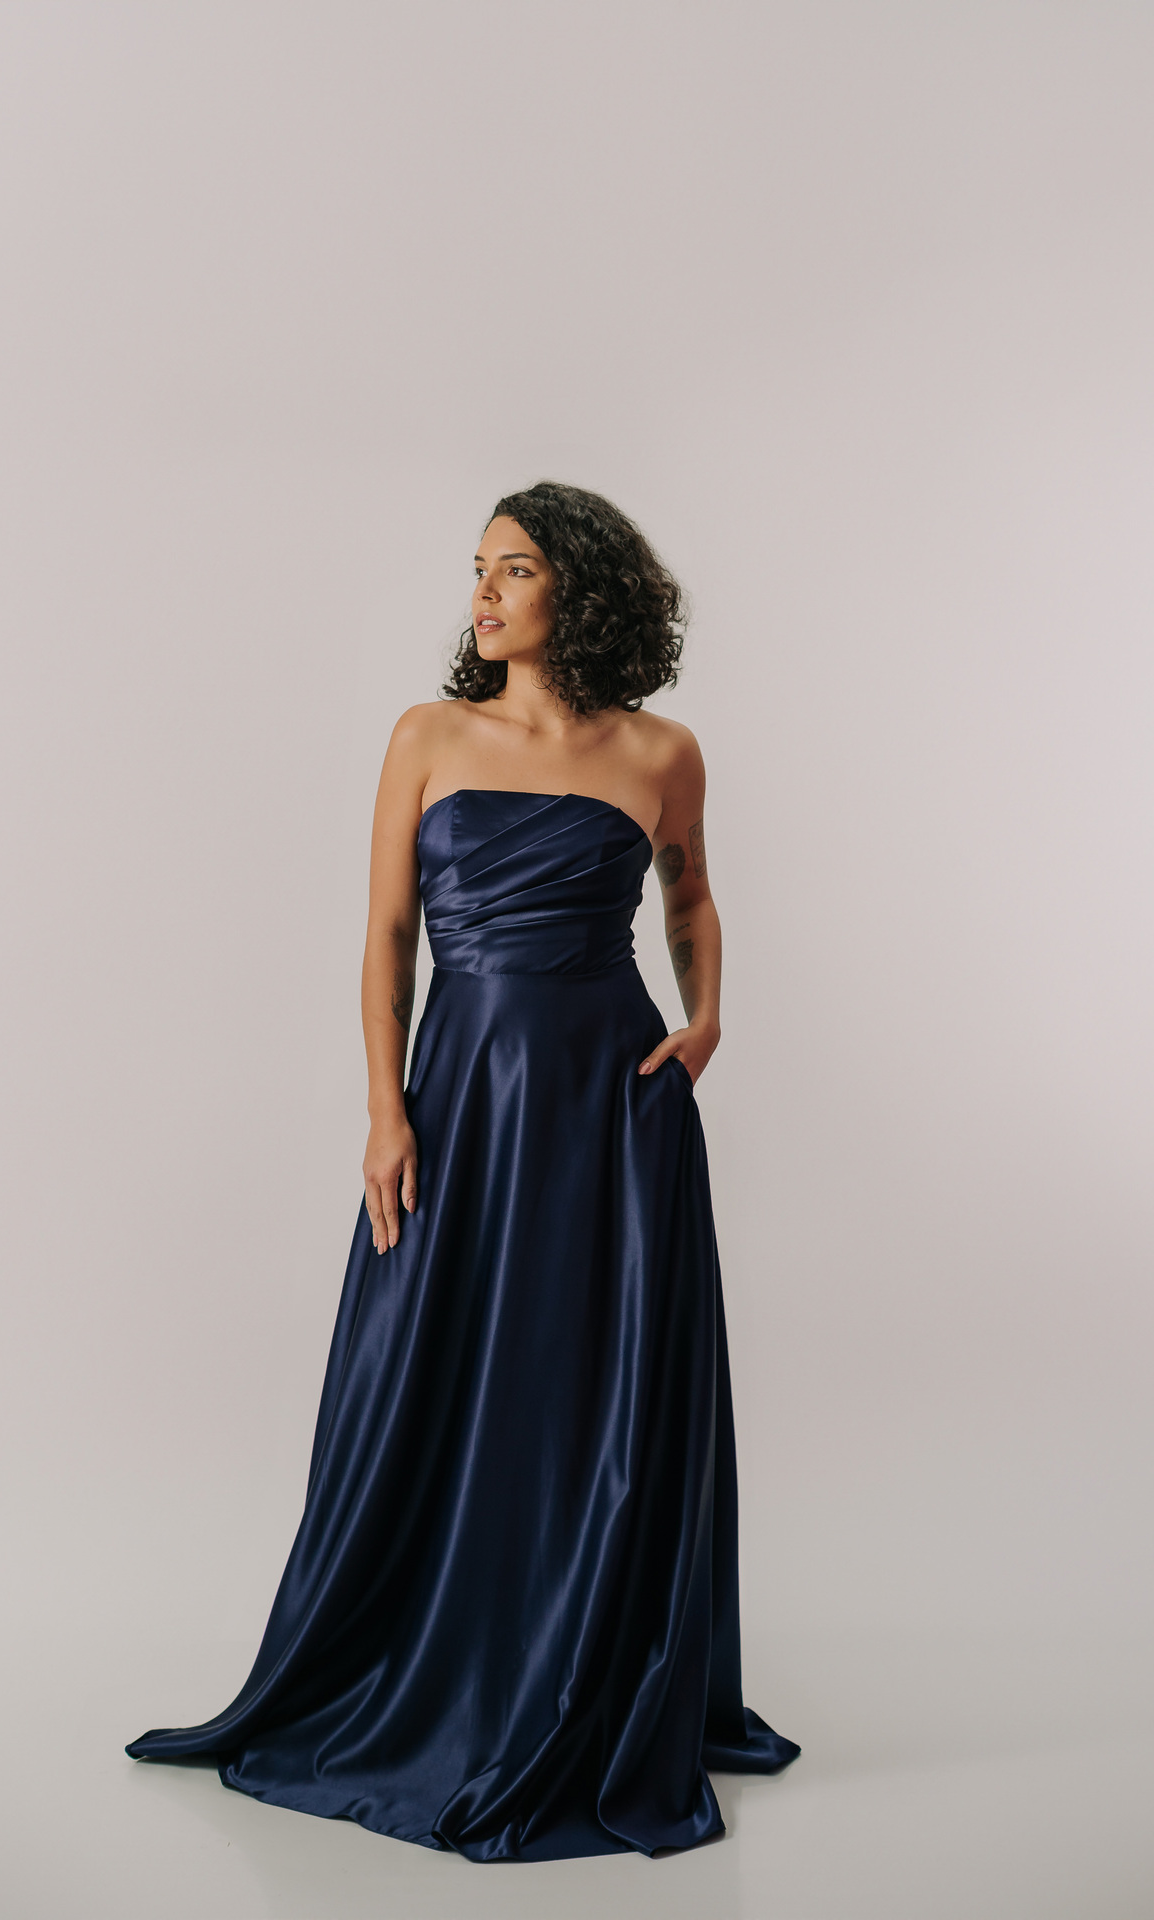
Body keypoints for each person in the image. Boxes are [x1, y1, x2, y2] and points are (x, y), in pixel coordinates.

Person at [126, 480, 799, 1861]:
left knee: (592, 1384)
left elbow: (689, 893)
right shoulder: (427, 735)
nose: (483, 593)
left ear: (581, 590)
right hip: (463, 1100)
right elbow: (387, 939)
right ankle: (431, 1657)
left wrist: (709, 1017)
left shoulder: (662, 751)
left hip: (611, 1104)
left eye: (515, 569)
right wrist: (388, 1113)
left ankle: (581, 1655)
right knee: (425, 1368)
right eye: (478, 569)